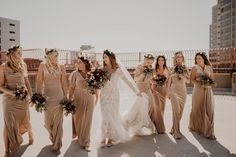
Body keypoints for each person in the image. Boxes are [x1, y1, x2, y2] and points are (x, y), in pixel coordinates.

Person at [0, 46, 33, 156]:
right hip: (9, 99)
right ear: (12, 54)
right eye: (19, 53)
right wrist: (12, 93)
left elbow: (27, 82)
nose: (21, 55)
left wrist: (31, 96)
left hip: (22, 98)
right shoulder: (3, 67)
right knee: (8, 124)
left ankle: (30, 134)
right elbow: (1, 86)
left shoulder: (23, 65)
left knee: (26, 120)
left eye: (21, 53)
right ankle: (6, 150)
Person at [36, 48, 67, 154]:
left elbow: (63, 83)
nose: (57, 57)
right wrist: (38, 95)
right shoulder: (42, 66)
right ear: (49, 56)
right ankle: (52, 136)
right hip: (47, 98)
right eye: (55, 55)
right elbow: (39, 81)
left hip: (59, 96)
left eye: (57, 55)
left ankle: (56, 145)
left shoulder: (61, 67)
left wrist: (65, 97)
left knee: (58, 123)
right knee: (48, 123)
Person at [189, 52, 216, 140]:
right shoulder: (194, 68)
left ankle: (209, 130)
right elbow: (192, 80)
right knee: (197, 108)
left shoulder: (209, 68)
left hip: (208, 91)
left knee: (209, 110)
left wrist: (208, 84)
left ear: (204, 58)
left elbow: (212, 80)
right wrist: (200, 83)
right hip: (198, 90)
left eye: (199, 58)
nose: (198, 60)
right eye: (196, 58)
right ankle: (198, 128)